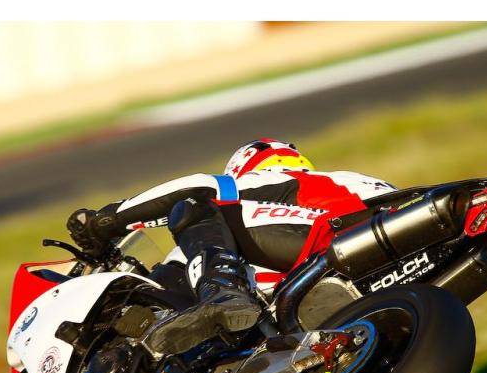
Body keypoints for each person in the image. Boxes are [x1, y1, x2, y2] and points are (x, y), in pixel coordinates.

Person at [67, 138, 397, 354]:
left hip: (332, 239)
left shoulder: (275, 179)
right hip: (388, 253)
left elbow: (197, 187)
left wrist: (107, 220)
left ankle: (223, 292)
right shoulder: (357, 180)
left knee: (192, 205)